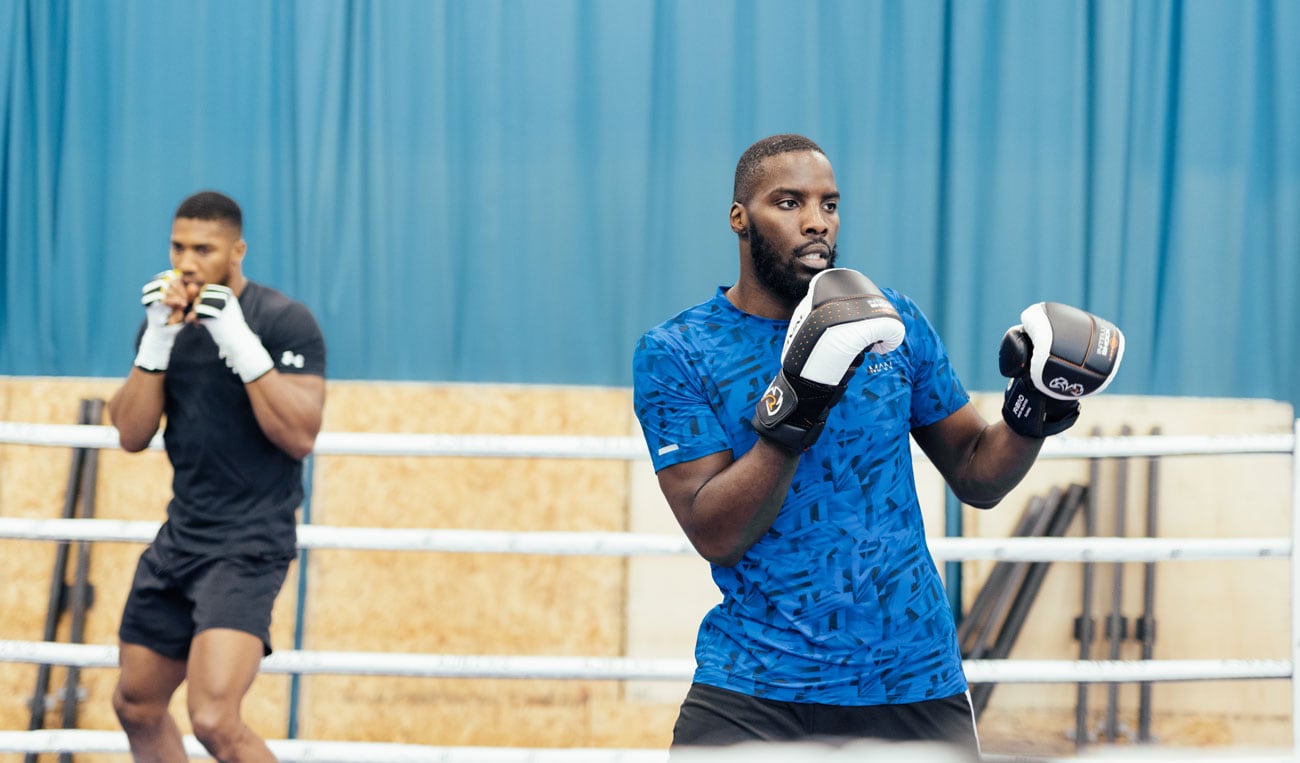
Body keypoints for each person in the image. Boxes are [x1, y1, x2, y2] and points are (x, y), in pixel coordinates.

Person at [632, 134, 1123, 754]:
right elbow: (717, 532)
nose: (816, 222)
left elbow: (976, 475)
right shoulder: (678, 351)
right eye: (788, 203)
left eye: (829, 205)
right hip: (755, 685)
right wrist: (800, 401)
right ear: (739, 219)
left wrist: (1035, 408)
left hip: (912, 680)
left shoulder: (895, 324)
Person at [108, 190, 327, 762]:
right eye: (178, 246)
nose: (186, 262)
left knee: (213, 720)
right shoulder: (164, 322)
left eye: (203, 249)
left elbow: (301, 434)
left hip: (249, 543)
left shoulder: (283, 321)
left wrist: (239, 341)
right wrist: (156, 339)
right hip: (181, 538)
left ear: (237, 250)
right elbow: (130, 434)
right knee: (136, 704)